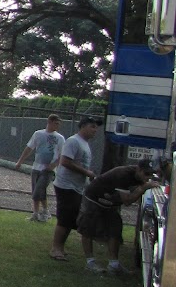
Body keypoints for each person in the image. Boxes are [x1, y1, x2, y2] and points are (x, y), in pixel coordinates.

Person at [78, 158, 158, 274]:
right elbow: (127, 201)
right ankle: (90, 262)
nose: (148, 178)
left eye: (151, 174)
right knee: (88, 227)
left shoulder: (139, 177)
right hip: (94, 197)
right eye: (146, 174)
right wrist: (142, 189)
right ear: (138, 169)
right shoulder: (123, 175)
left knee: (115, 228)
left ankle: (114, 264)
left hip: (110, 202)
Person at [49, 116, 99, 261]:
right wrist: (87, 172)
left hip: (77, 187)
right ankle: (55, 249)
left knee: (71, 219)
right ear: (83, 126)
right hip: (66, 185)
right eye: (92, 126)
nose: (95, 130)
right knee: (65, 218)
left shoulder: (84, 143)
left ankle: (61, 248)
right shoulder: (73, 141)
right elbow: (65, 162)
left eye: (96, 127)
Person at [14, 114, 65, 222]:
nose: (57, 126)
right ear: (49, 122)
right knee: (35, 191)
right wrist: (20, 161)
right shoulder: (38, 134)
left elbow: (62, 154)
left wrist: (54, 165)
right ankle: (36, 213)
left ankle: (46, 211)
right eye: (56, 123)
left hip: (48, 169)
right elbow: (29, 148)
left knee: (39, 189)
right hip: (37, 167)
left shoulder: (60, 138)